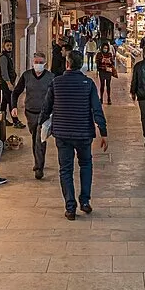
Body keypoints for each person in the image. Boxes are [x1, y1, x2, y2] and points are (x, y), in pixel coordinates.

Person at [40, 50, 108, 220]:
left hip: (62, 133)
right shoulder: (88, 83)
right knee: (86, 165)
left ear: (67, 63)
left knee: (65, 169)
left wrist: (40, 124)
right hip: (84, 133)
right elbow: (97, 108)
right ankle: (84, 201)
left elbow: (46, 107)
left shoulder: (57, 83)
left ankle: (70, 207)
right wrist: (103, 131)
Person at [19, 51, 54, 179]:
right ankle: (37, 161)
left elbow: (56, 95)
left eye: (40, 63)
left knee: (40, 138)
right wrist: (12, 107)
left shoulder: (51, 77)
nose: (38, 65)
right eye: (36, 62)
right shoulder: (26, 75)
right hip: (30, 112)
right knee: (35, 137)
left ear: (45, 64)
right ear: (32, 63)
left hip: (44, 114)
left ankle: (39, 167)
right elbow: (17, 91)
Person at [0, 39, 24, 128]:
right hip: (6, 83)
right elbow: (4, 72)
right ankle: (15, 121)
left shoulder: (7, 56)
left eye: (11, 45)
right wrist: (9, 83)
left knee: (4, 102)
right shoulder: (3, 57)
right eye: (7, 45)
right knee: (11, 101)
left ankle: (1, 120)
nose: (9, 47)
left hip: (6, 82)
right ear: (3, 46)